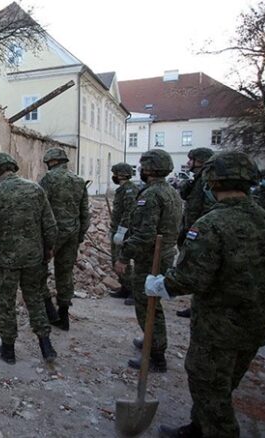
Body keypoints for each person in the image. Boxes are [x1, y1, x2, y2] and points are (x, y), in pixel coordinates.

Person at [145, 151, 265, 438]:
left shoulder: (211, 224)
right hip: (256, 324)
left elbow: (191, 277)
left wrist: (162, 284)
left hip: (217, 329)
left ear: (211, 182)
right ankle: (198, 427)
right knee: (224, 384)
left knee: (209, 387)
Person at [0, 152, 58, 364]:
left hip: (7, 261)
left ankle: (8, 351)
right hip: (33, 258)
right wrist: (48, 250)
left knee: (6, 304)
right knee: (36, 299)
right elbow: (50, 226)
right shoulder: (35, 189)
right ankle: (46, 347)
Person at [114, 149, 181, 372]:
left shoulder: (151, 195)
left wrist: (124, 256)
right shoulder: (171, 192)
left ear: (150, 169)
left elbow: (145, 233)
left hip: (150, 257)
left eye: (143, 167)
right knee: (152, 302)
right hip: (164, 253)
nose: (140, 171)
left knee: (148, 305)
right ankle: (151, 341)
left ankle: (156, 355)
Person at [39, 147, 89, 331]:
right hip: (73, 233)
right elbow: (85, 213)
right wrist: (80, 235)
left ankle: (49, 312)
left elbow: (40, 208)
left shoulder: (49, 179)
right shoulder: (79, 181)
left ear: (51, 162)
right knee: (65, 273)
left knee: (38, 271)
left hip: (53, 234)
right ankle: (63, 315)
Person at [175, 147, 215, 319]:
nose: (188, 163)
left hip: (200, 232)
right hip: (191, 229)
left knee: (202, 270)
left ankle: (200, 307)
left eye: (191, 159)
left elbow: (207, 209)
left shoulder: (207, 181)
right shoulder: (197, 180)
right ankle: (197, 306)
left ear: (200, 161)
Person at [109, 162, 138, 305]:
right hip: (117, 228)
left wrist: (122, 230)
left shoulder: (129, 190)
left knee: (122, 260)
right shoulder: (122, 189)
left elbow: (129, 212)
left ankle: (133, 290)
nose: (113, 176)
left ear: (120, 174)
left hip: (124, 231)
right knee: (115, 260)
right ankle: (125, 288)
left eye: (114, 174)